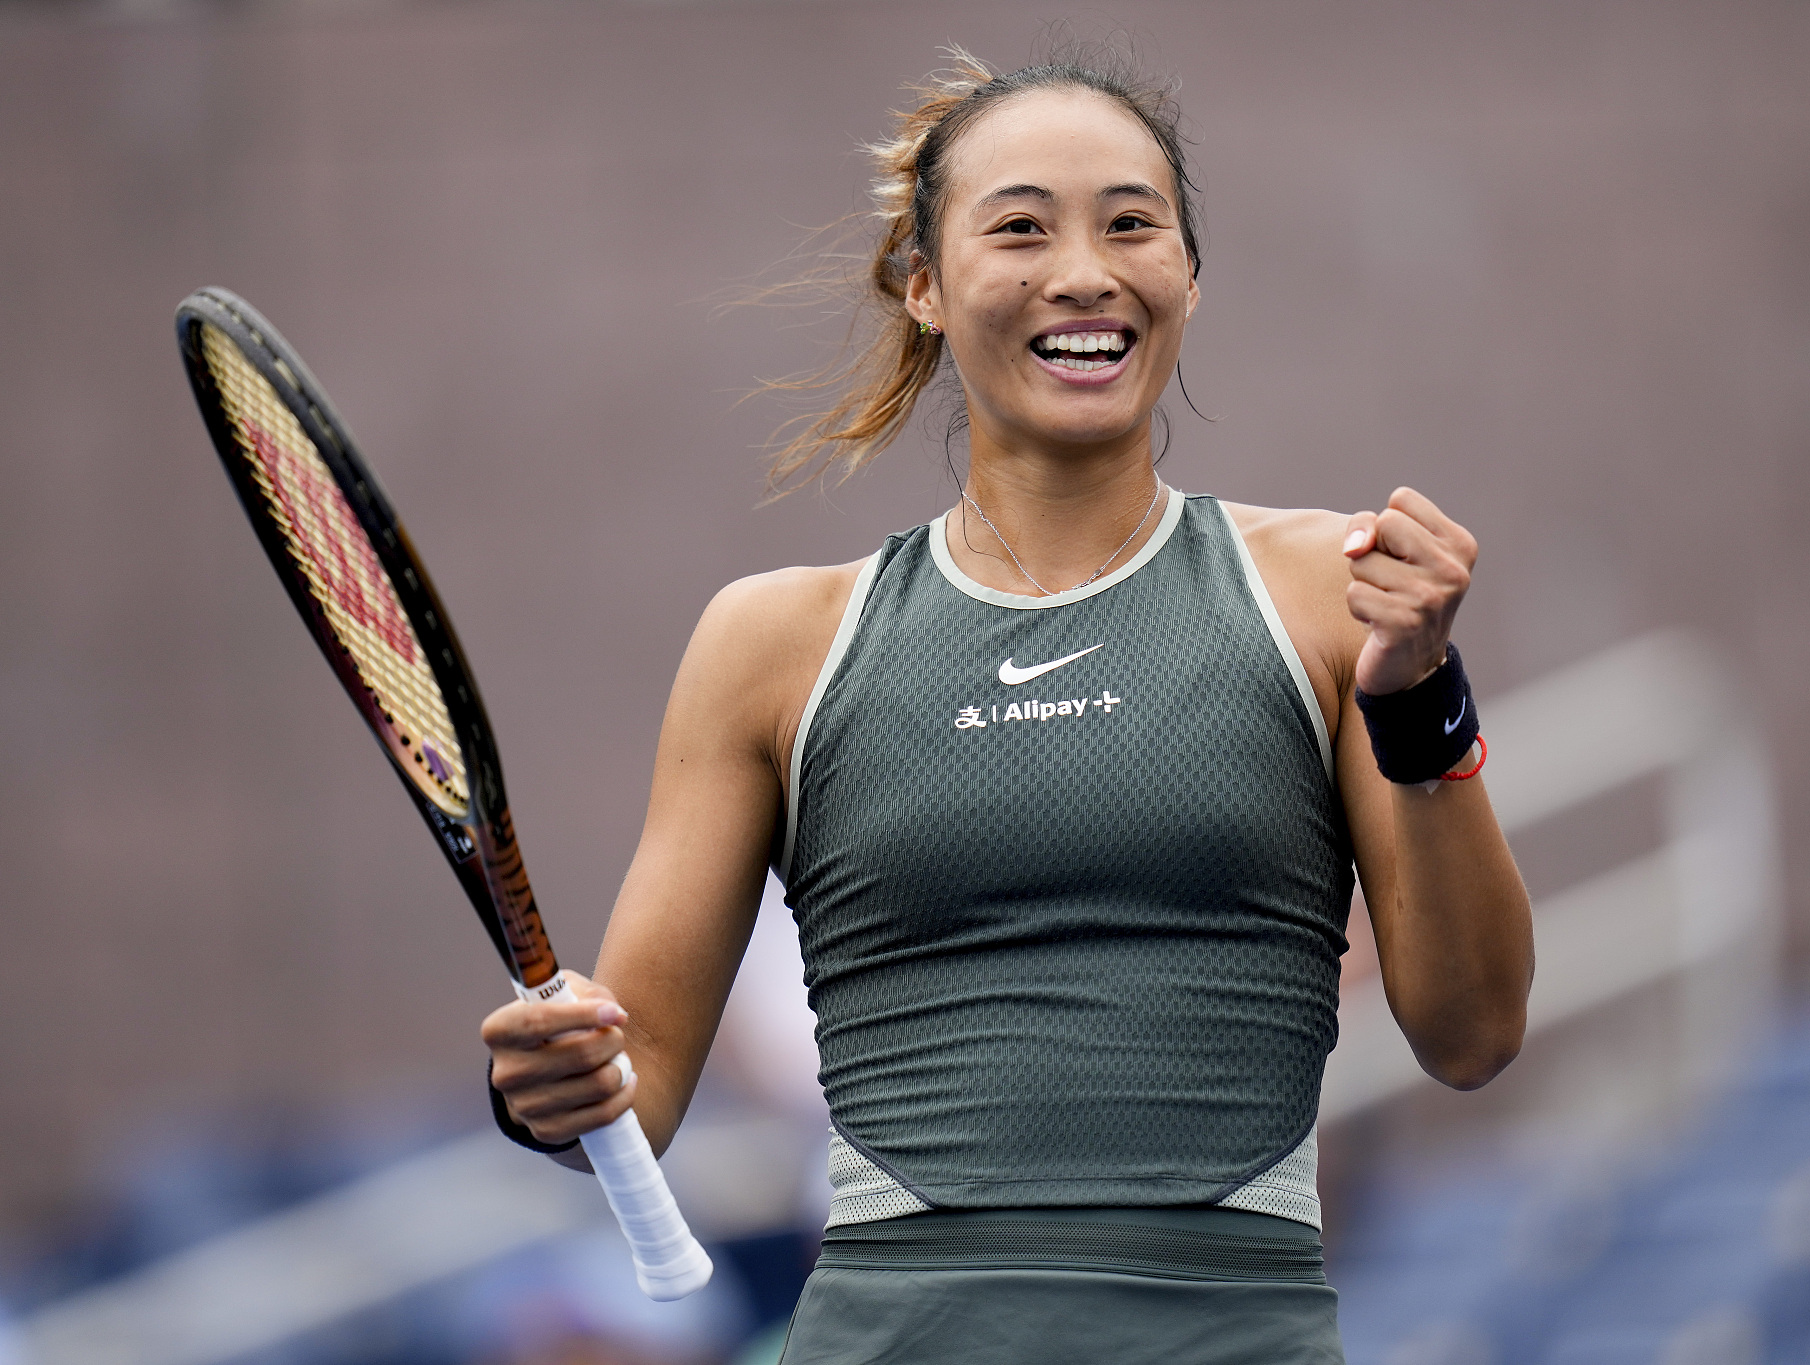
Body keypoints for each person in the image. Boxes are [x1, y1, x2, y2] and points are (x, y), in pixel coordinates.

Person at [484, 48, 1534, 1364]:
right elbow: (626, 1107)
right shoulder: (769, 645)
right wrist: (546, 1083)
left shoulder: (1338, 595)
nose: (1085, 271)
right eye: (1021, 226)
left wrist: (1421, 696)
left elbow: (1475, 1030)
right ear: (921, 284)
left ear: (1190, 279)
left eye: (1132, 224)